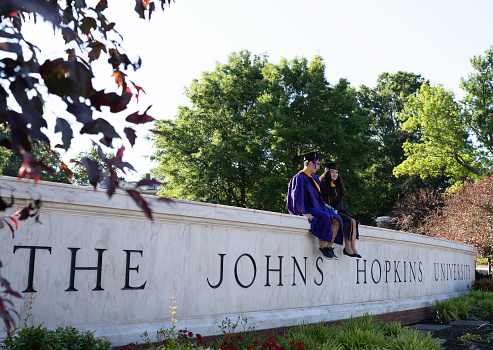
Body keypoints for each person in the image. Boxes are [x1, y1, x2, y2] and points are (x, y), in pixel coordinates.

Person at [286, 151, 344, 260]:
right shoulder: (299, 178)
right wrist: (303, 213)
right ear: (310, 164)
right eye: (317, 164)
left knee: (337, 218)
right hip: (307, 207)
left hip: (317, 206)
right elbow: (296, 198)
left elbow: (318, 198)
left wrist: (327, 207)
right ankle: (323, 247)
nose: (318, 167)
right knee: (325, 217)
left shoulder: (315, 178)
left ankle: (329, 246)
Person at [319, 162, 361, 258]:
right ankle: (347, 247)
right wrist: (331, 209)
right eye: (332, 172)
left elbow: (340, 203)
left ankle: (352, 247)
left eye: (336, 173)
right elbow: (321, 200)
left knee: (354, 220)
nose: (335, 175)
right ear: (327, 173)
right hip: (327, 211)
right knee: (348, 220)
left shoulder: (337, 187)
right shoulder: (322, 185)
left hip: (337, 211)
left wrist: (337, 209)